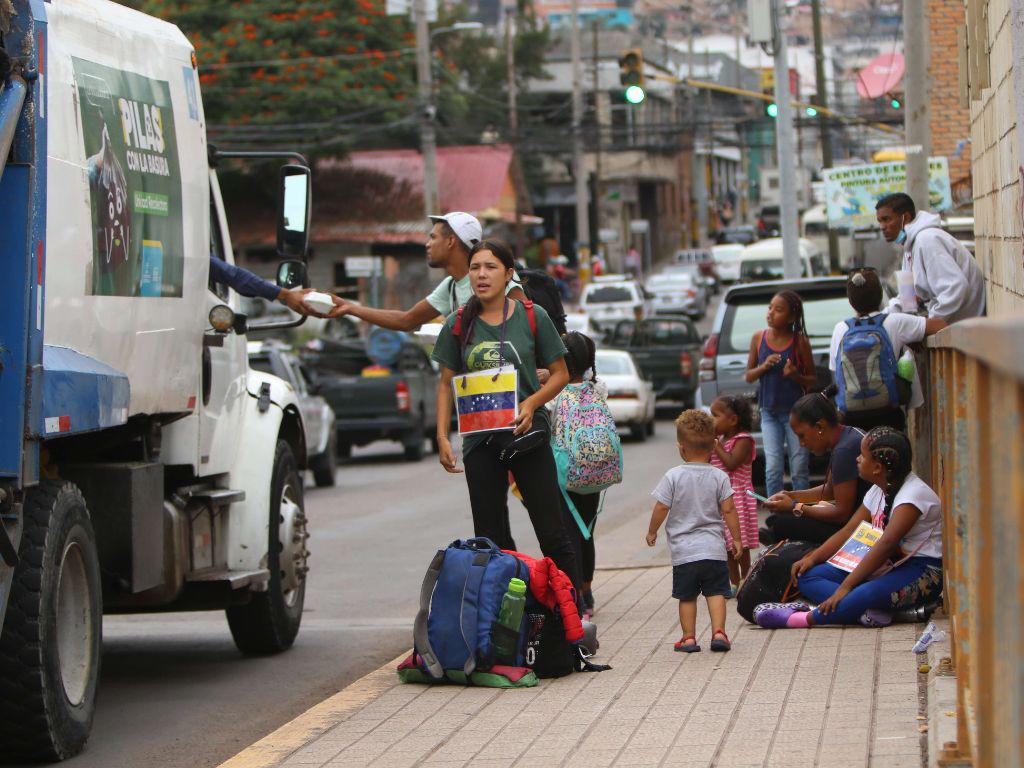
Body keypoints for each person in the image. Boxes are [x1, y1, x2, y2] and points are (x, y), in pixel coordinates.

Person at [431, 239, 581, 588]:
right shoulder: (457, 324)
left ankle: (571, 615)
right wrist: (441, 437)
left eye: (490, 267)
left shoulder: (532, 316)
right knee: (489, 539)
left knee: (552, 533)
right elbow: (444, 384)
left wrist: (531, 403)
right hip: (480, 442)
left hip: (527, 436)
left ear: (509, 274)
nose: (481, 275)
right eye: (475, 268)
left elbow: (559, 374)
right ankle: (503, 613)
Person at [753, 428, 943, 629]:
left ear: (877, 467)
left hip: (921, 570)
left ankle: (801, 619)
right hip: (888, 566)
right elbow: (849, 530)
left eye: (862, 456)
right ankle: (868, 611)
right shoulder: (878, 489)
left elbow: (886, 545)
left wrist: (845, 588)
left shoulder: (911, 497)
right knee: (807, 575)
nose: (857, 459)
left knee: (866, 593)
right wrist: (812, 558)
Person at [326, 212, 526, 329]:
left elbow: (526, 325)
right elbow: (406, 321)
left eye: (433, 237)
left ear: (450, 241)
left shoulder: (499, 279)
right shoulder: (450, 286)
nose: (427, 244)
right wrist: (351, 308)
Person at [647, 410, 742, 653]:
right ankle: (719, 633)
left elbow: (661, 506)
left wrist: (652, 531)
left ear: (681, 448)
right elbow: (730, 510)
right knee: (716, 593)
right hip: (714, 550)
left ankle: (688, 638)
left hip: (684, 553)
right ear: (713, 446)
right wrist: (737, 539)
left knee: (687, 597)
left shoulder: (674, 476)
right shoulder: (720, 477)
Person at [830, 268, 947, 432]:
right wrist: (913, 337)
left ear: (850, 301)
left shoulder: (839, 329)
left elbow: (836, 373)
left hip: (852, 417)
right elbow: (941, 326)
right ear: (880, 295)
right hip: (889, 413)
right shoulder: (895, 322)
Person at [762, 393, 869, 546]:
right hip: (854, 520)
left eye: (802, 436)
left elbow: (841, 514)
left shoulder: (844, 450)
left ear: (820, 426)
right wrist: (790, 496)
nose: (802, 444)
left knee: (783, 524)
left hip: (857, 530)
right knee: (778, 519)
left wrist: (795, 507)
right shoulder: (847, 435)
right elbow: (830, 490)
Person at [551, 331, 607, 619]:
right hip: (594, 471)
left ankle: (576, 597)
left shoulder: (554, 393)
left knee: (569, 534)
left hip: (564, 474)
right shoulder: (599, 387)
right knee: (587, 532)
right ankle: (588, 592)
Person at [745, 290, 816, 496]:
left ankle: (802, 511)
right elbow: (749, 376)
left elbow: (812, 379)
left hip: (797, 414)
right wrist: (764, 366)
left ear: (791, 317)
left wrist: (796, 376)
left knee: (799, 467)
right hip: (769, 413)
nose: (770, 313)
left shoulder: (799, 341)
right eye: (770, 308)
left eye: (778, 310)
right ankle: (776, 513)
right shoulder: (758, 338)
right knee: (773, 466)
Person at [875, 192, 985, 322]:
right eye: (880, 221)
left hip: (965, 327)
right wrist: (879, 320)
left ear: (906, 217)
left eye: (886, 219)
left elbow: (955, 289)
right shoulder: (909, 249)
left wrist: (929, 323)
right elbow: (907, 299)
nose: (882, 227)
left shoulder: (927, 240)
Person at [708, 395, 757, 593]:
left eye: (715, 415)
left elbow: (731, 463)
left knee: (740, 544)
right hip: (722, 499)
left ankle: (747, 579)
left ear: (733, 420)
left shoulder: (743, 440)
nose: (711, 420)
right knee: (726, 545)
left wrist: (716, 445)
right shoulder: (719, 440)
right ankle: (734, 583)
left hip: (738, 498)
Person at [208, 255, 322, 316]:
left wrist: (284, 294)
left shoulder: (197, 255)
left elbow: (233, 275)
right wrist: (284, 295)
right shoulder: (198, 256)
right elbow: (233, 276)